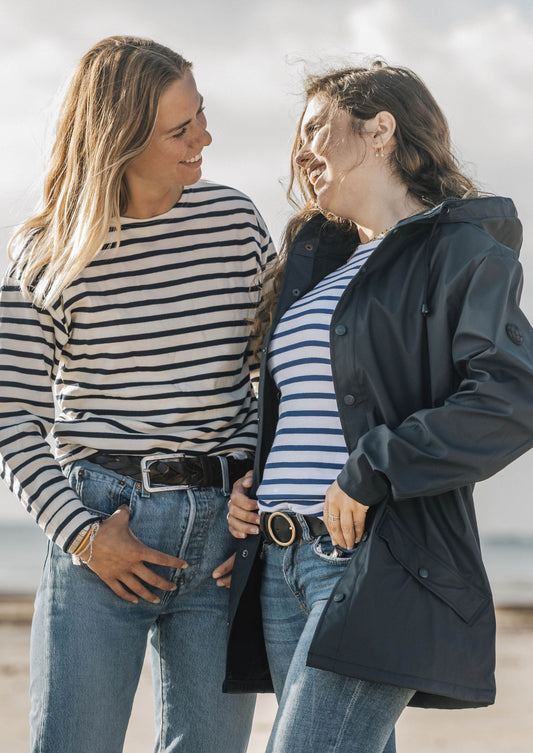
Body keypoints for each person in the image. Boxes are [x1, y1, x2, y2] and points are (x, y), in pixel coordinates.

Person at [224, 61, 533, 753]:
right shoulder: (320, 264)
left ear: (380, 131)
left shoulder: (460, 250)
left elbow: (510, 395)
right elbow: (300, 407)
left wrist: (373, 468)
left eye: (315, 129)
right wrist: (253, 477)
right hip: (278, 561)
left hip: (372, 560)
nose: (300, 151)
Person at [0, 36, 275, 753]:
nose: (204, 139)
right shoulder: (46, 254)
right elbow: (12, 418)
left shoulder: (235, 223)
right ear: (119, 141)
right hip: (102, 522)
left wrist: (258, 484)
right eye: (179, 130)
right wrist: (85, 536)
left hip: (222, 538)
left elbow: (272, 378)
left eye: (201, 116)